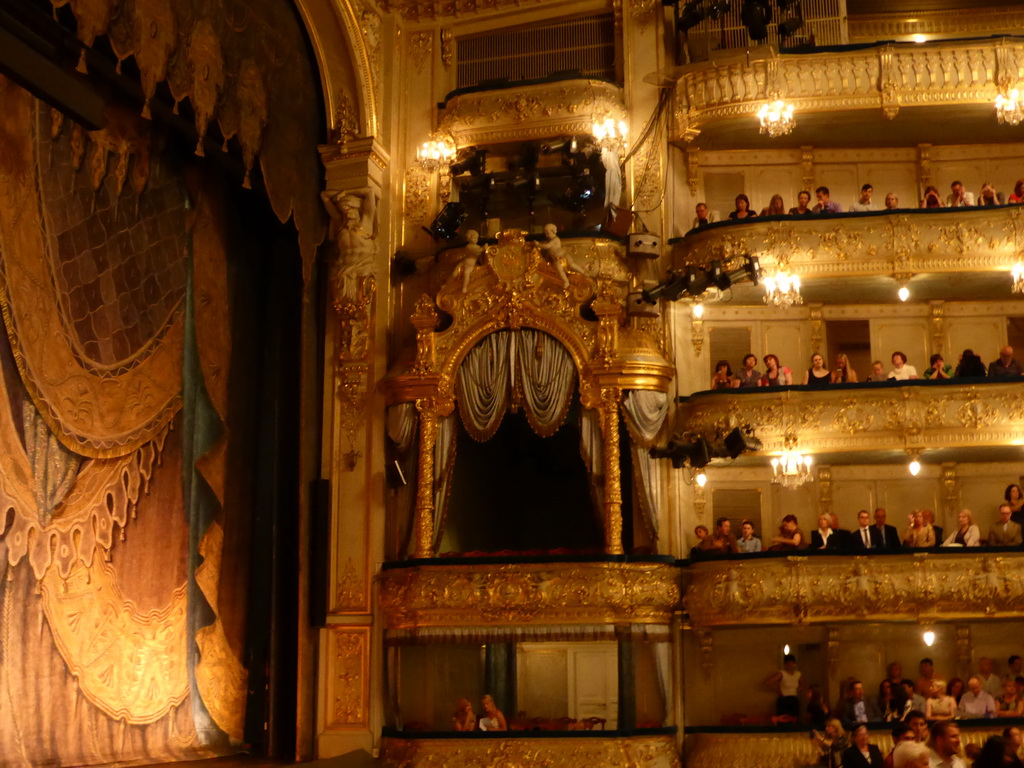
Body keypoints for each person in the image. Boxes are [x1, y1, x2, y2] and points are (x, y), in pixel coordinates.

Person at [538, 222, 587, 287]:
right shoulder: (548, 240)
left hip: (563, 254)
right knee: (559, 270)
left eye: (547, 233)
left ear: (553, 231)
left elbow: (547, 246)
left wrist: (538, 244)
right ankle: (566, 281)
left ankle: (583, 272)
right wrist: (547, 258)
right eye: (545, 233)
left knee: (571, 264)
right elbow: (549, 251)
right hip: (556, 259)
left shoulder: (555, 239)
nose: (546, 235)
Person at [764, 653, 803, 717]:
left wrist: (798, 689)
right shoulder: (782, 673)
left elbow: (802, 685)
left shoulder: (798, 674)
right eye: (788, 663)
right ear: (785, 664)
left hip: (794, 699)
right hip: (784, 699)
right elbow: (768, 683)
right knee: (783, 719)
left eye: (792, 663)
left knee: (794, 719)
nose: (790, 665)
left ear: (794, 664)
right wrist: (777, 690)